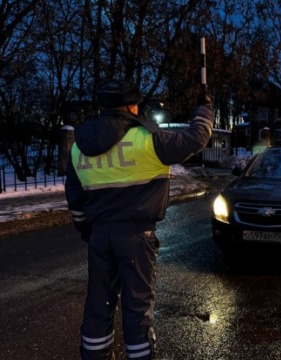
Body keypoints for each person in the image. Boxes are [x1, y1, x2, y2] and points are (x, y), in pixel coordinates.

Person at [65, 79, 214, 360]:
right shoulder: (148, 139)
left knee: (98, 304)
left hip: (99, 235)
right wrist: (204, 108)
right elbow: (197, 138)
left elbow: (74, 196)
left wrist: (89, 230)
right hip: (136, 237)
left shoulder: (79, 147)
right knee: (137, 308)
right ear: (132, 106)